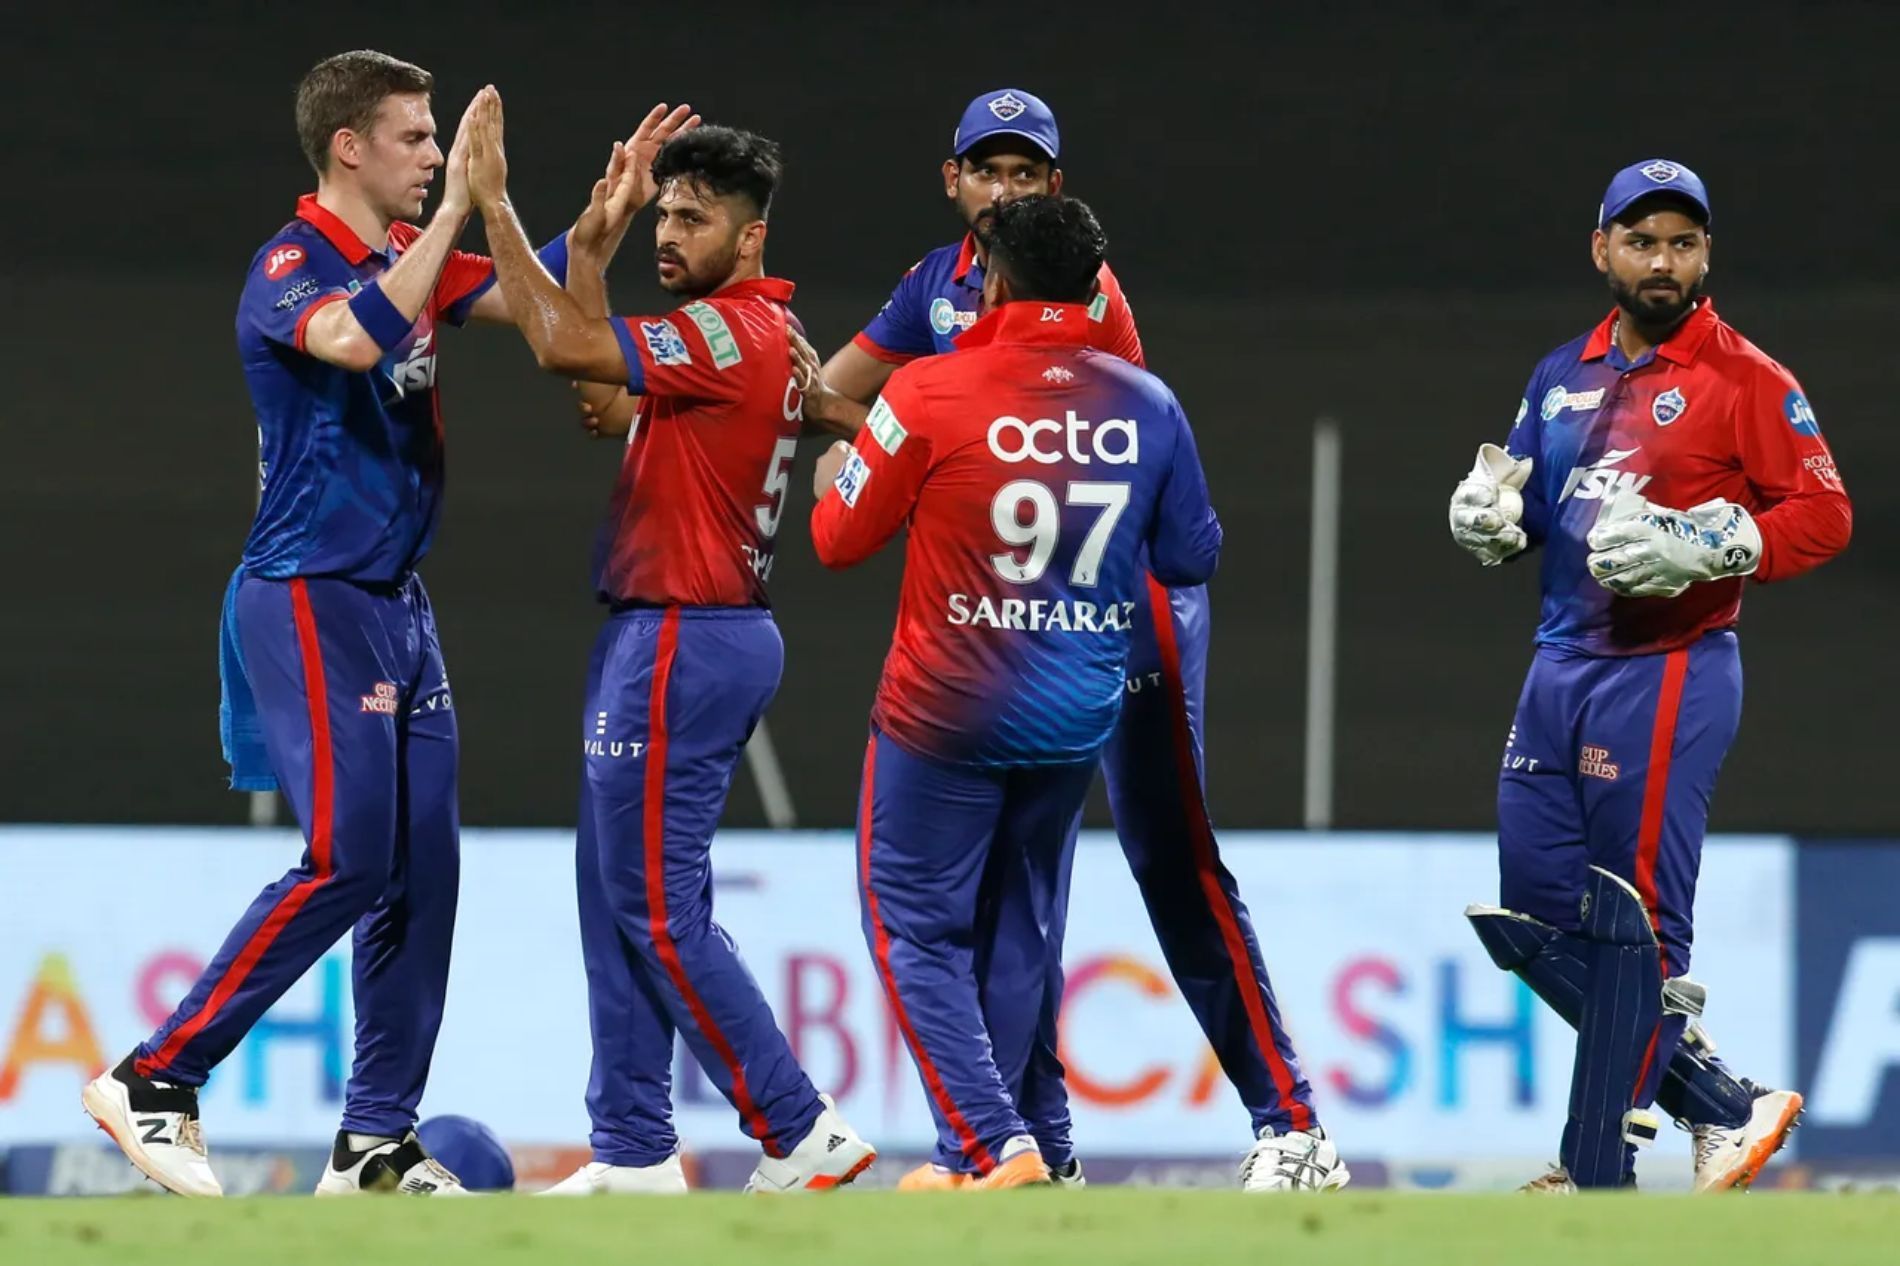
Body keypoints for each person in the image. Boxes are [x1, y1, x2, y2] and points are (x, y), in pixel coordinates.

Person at [793, 87, 1340, 1192]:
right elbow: (829, 398)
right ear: (952, 182)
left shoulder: (1083, 294)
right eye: (985, 169)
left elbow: (1100, 445)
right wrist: (900, 431)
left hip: (1121, 610)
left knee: (1168, 861)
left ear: (1053, 189)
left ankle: (1290, 1126)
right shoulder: (930, 287)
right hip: (1040, 616)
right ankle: (1031, 1147)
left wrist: (908, 439)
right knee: (1016, 898)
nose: (1004, 188)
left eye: (1024, 172)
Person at [82, 50, 600, 1198]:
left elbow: (530, 295)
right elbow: (356, 338)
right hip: (310, 591)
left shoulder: (392, 258)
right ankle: (156, 1077)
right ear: (349, 147)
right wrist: (464, 206)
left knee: (422, 873)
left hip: (397, 603)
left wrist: (599, 221)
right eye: (415, 139)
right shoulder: (291, 262)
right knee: (347, 857)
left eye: (436, 140)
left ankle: (374, 1140)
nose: (431, 157)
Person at [460, 87, 875, 1194]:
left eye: (694, 219)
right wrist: (593, 241)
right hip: (669, 629)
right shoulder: (738, 333)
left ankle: (798, 1129)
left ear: (753, 236)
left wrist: (494, 202)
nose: (671, 236)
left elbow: (558, 352)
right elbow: (600, 399)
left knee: (653, 901)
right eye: (664, 217)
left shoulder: (727, 329)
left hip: (689, 634)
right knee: (615, 894)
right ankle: (635, 1149)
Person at [808, 193, 1231, 1189]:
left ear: (990, 282)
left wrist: (841, 475)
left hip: (945, 707)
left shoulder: (927, 392)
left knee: (910, 920)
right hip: (1075, 706)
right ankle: (1033, 1148)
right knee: (1015, 923)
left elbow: (836, 542)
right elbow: (1190, 556)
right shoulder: (1147, 403)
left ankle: (984, 1144)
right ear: (1093, 289)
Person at [1449, 158, 1852, 1191]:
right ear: (1602, 251)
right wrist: (1492, 521)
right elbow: (1537, 507)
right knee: (1533, 920)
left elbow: (1822, 514)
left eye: (1681, 242)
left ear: (1704, 253)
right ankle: (1724, 1103)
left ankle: (1593, 1171)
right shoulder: (1561, 373)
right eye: (1641, 241)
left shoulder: (1746, 377)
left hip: (1668, 664)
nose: (1662, 261)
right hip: (1557, 665)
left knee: (1634, 921)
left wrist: (1716, 545)